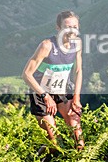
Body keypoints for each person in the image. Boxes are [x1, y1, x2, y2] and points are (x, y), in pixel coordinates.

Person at [22, 10, 84, 153]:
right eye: (67, 27)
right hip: (41, 93)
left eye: (75, 27)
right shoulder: (47, 45)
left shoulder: (77, 44)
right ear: (58, 28)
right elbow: (26, 74)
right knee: (56, 143)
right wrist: (45, 96)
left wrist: (76, 97)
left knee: (77, 132)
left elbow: (78, 71)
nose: (71, 31)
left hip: (62, 90)